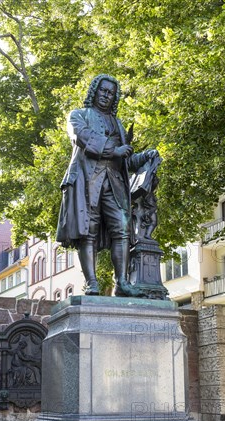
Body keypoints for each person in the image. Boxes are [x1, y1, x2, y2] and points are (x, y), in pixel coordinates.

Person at [56, 74, 158, 296]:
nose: (106, 96)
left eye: (111, 93)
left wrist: (143, 157)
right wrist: (113, 150)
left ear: (115, 98)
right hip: (86, 181)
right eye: (103, 91)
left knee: (122, 228)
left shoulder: (118, 125)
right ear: (94, 91)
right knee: (87, 231)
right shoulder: (78, 115)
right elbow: (80, 137)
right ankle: (91, 282)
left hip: (114, 183)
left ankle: (122, 282)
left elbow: (125, 161)